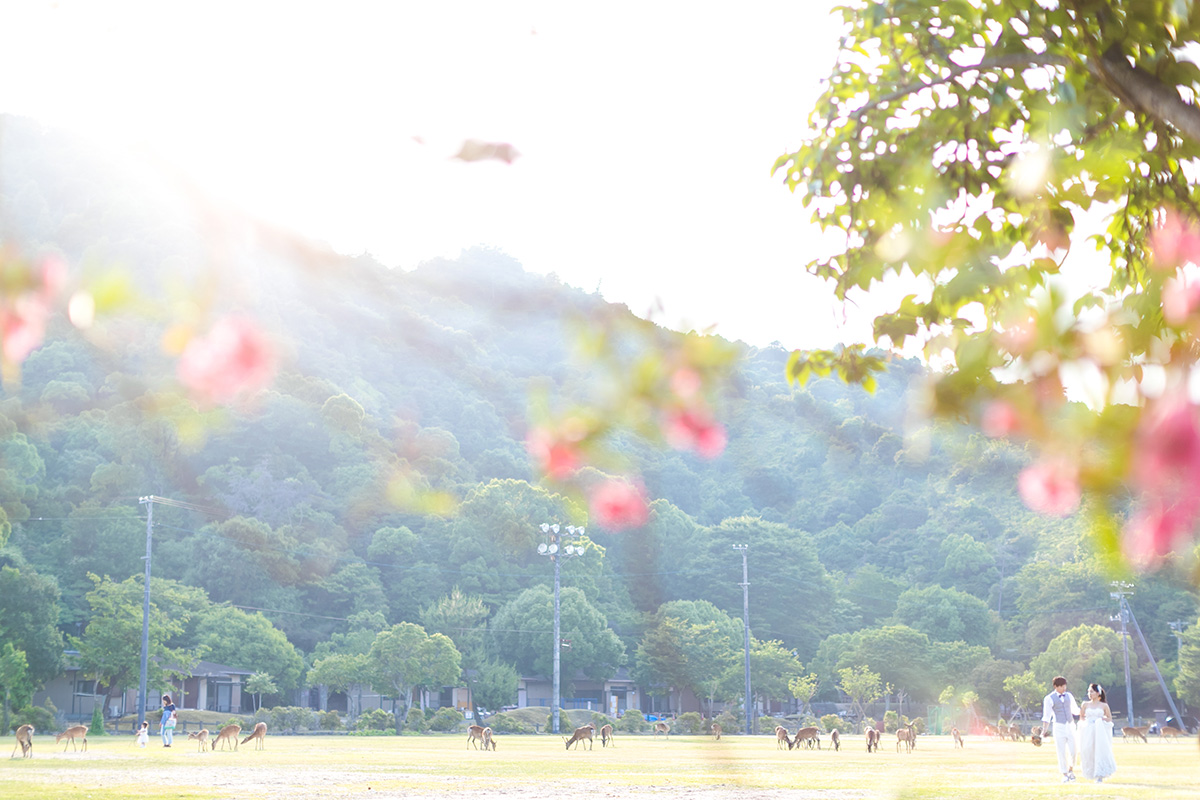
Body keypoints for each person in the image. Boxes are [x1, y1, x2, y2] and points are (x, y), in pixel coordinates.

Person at [1041, 676, 1080, 783]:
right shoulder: (1049, 698)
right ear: (1055, 686)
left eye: (1065, 686)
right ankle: (1065, 774)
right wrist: (1043, 731)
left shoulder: (1069, 696)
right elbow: (1047, 716)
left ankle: (1071, 769)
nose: (1064, 688)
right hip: (1058, 726)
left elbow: (1075, 710)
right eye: (1062, 686)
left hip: (1071, 725)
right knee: (1061, 751)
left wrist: (1086, 711)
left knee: (1074, 750)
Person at [1079, 683, 1116, 783]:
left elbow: (1109, 718)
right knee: (1088, 750)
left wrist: (1101, 720)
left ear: (1097, 693)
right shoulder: (1085, 704)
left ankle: (1100, 774)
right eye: (1088, 692)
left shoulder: (1104, 705)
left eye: (1091, 691)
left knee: (1099, 750)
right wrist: (1085, 724)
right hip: (1088, 730)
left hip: (1099, 731)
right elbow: (1081, 716)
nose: (1089, 694)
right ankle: (1090, 772)